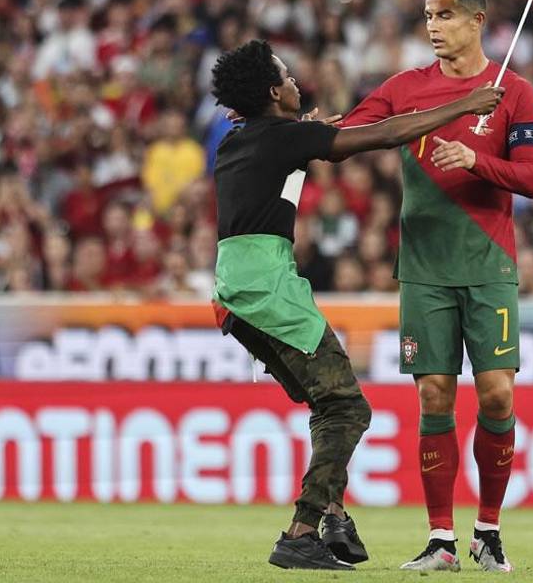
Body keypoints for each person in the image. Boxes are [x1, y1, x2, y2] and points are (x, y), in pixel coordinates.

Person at [209, 39, 502, 571]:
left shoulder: (241, 140)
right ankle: (302, 530)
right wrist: (463, 105)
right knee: (348, 407)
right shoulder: (282, 138)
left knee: (329, 404)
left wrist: (307, 135)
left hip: (236, 289)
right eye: (288, 76)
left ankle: (334, 518)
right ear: (275, 93)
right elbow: (387, 134)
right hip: (267, 289)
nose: (297, 81)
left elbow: (276, 169)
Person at [342, 0, 533, 572]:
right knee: (433, 395)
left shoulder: (514, 90)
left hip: (489, 267)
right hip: (425, 269)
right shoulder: (406, 89)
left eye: (447, 15)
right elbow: (350, 133)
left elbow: (532, 177)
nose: (433, 25)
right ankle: (440, 540)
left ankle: (489, 529)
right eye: (429, 15)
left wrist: (477, 161)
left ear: (478, 20)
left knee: (497, 393)